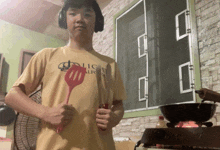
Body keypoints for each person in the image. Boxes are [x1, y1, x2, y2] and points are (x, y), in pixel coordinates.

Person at [5, 0, 127, 150]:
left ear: (97, 20)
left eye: (87, 14)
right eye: (73, 13)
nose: (80, 19)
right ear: (64, 18)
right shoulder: (46, 56)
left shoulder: (110, 64)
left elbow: (118, 104)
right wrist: (45, 112)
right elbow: (12, 96)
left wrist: (114, 117)